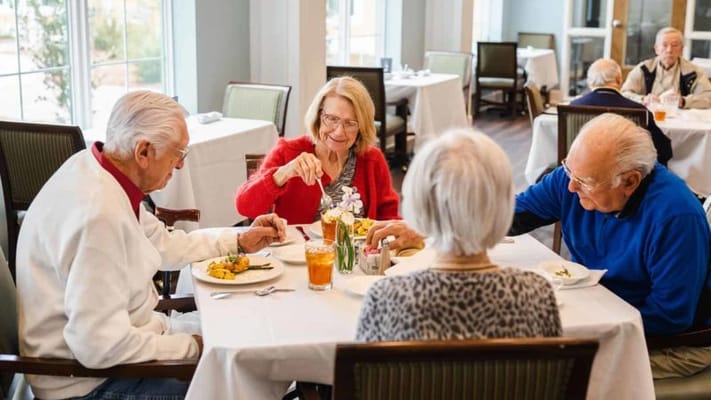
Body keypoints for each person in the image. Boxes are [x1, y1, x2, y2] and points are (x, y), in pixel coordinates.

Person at [15, 91, 285, 400]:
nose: (180, 165)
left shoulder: (98, 172)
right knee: (242, 378)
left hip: (118, 350)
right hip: (89, 384)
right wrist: (193, 346)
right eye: (178, 153)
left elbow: (165, 244)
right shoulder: (98, 216)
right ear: (143, 152)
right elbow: (99, 346)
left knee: (242, 342)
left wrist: (238, 240)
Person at [510, 113, 711, 378]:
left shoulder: (676, 217)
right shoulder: (572, 178)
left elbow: (669, 317)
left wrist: (583, 322)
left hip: (675, 342)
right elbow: (513, 214)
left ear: (629, 181)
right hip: (609, 306)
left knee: (547, 374)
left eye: (584, 181)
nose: (570, 185)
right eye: (568, 169)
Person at [356, 128, 562, 342]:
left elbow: (367, 375)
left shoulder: (386, 300)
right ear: (501, 206)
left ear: (419, 204)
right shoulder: (536, 297)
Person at [235, 76, 400, 224]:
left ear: (362, 127)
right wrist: (284, 173)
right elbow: (245, 207)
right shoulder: (288, 151)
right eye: (332, 119)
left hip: (356, 256)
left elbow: (390, 219)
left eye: (350, 123)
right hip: (299, 255)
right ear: (318, 115)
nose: (339, 131)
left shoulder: (372, 160)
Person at [573, 58, 672, 165]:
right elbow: (664, 151)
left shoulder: (574, 106)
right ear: (619, 79)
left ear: (589, 82)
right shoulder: (638, 110)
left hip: (581, 171)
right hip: (626, 176)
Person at [622, 27, 711, 109]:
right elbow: (624, 94)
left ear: (681, 49)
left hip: (682, 121)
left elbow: (708, 98)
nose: (669, 50)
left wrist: (683, 101)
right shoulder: (643, 69)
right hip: (649, 117)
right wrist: (643, 99)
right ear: (656, 49)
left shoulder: (693, 72)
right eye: (664, 45)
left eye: (675, 45)